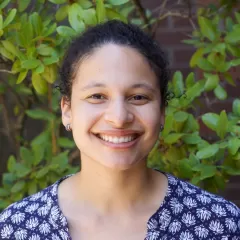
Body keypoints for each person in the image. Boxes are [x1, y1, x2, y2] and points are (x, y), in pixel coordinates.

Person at [0, 20, 239, 240]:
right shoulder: (17, 229)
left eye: (138, 97)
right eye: (97, 96)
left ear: (162, 110)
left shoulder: (219, 225)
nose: (118, 118)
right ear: (67, 109)